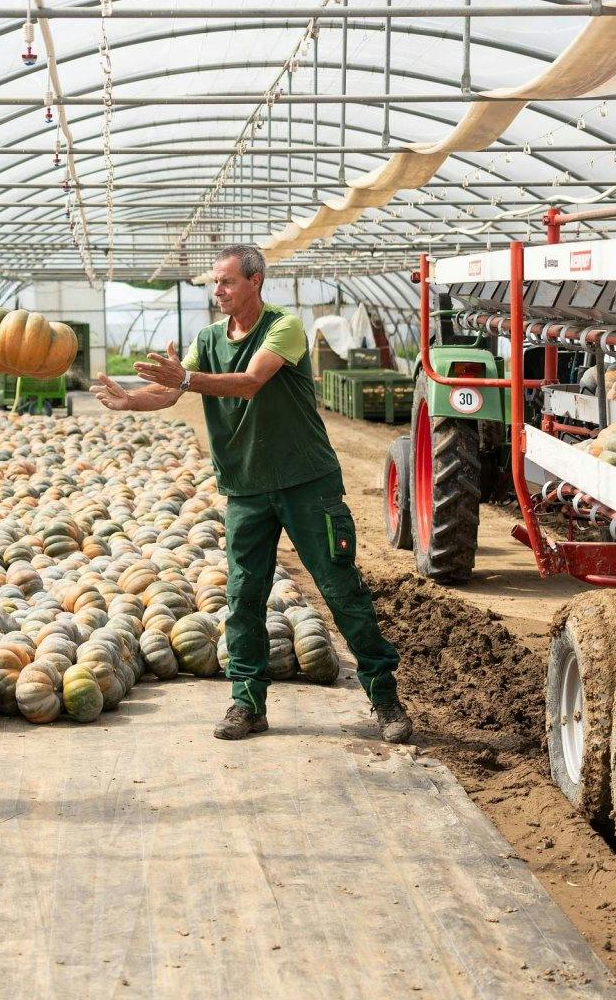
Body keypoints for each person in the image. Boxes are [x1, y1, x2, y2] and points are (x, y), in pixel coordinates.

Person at [91, 245, 410, 743]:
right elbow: (174, 392)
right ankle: (248, 704)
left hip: (306, 484)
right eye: (214, 284)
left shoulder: (284, 328)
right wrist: (130, 399)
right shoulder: (208, 339)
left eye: (227, 282)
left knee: (340, 590)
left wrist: (188, 378)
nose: (217, 292)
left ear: (255, 281)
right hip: (246, 489)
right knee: (243, 598)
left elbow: (248, 383)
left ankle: (385, 699)